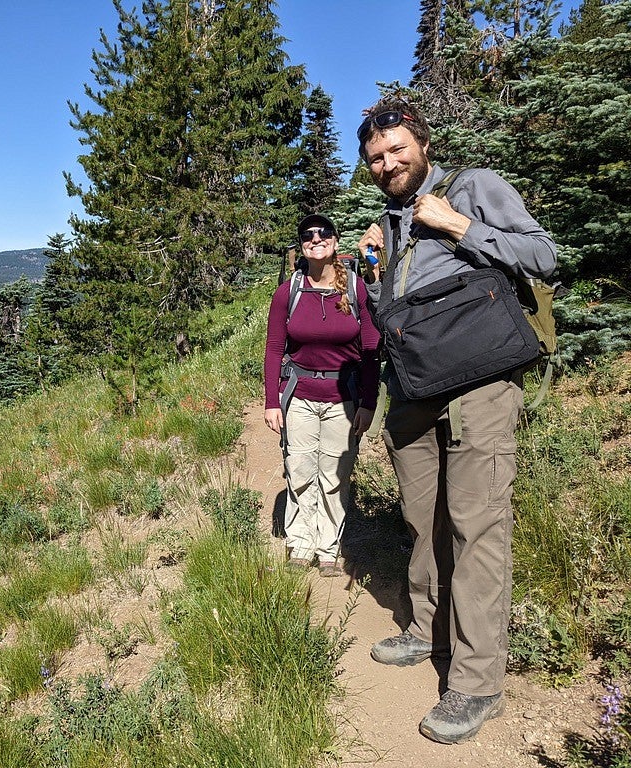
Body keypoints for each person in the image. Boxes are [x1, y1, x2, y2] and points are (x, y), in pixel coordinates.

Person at [356, 98, 557, 744]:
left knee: (477, 527)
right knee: (423, 519)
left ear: (422, 142)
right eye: (376, 158)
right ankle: (427, 628)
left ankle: (475, 682)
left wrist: (459, 226)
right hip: (414, 387)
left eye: (396, 150)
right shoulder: (385, 224)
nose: (388, 163)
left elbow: (544, 256)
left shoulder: (472, 188)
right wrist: (369, 266)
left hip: (480, 383)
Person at [264, 214, 380, 577]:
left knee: (335, 473)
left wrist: (368, 402)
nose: (317, 239)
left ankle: (328, 546)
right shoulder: (289, 292)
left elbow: (371, 350)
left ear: (335, 240)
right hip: (299, 395)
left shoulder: (356, 289)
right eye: (309, 235)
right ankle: (300, 542)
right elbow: (273, 349)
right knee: (298, 469)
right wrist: (271, 401)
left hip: (343, 399)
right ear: (301, 246)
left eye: (324, 233)